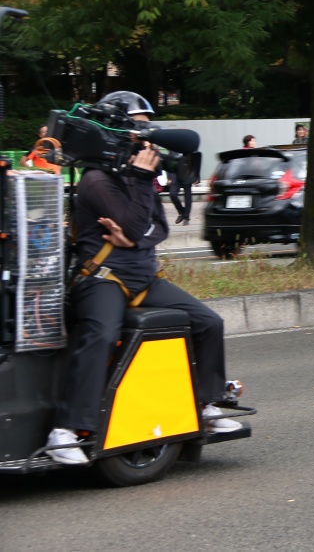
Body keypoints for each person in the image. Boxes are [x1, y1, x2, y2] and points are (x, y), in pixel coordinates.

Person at [46, 91, 240, 466]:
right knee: (100, 333)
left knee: (208, 322)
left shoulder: (138, 177)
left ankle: (206, 406)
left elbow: (157, 228)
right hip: (101, 278)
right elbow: (138, 225)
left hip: (142, 277)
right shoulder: (97, 181)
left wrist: (133, 236)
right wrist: (136, 219)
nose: (145, 138)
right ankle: (66, 430)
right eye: (137, 130)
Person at [167, 155, 197, 226]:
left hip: (187, 173)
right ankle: (182, 212)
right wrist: (169, 177)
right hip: (175, 174)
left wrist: (196, 176)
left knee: (187, 197)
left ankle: (186, 218)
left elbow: (195, 161)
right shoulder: (173, 146)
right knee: (172, 194)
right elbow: (170, 160)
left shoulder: (189, 145)